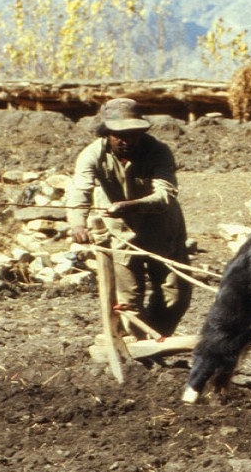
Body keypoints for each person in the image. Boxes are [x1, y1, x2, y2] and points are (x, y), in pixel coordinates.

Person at [66, 98, 192, 337]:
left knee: (175, 294)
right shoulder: (91, 155)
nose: (126, 141)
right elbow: (80, 191)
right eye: (119, 135)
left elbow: (166, 194)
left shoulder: (159, 152)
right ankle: (136, 343)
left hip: (162, 228)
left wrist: (132, 206)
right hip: (119, 231)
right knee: (128, 297)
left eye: (133, 134)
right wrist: (77, 224)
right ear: (107, 133)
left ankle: (157, 340)